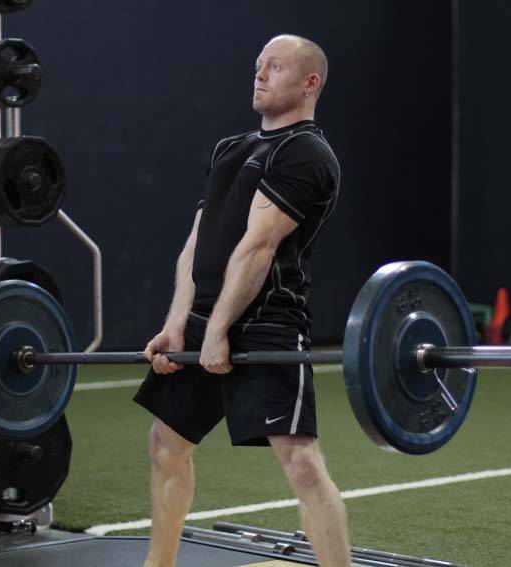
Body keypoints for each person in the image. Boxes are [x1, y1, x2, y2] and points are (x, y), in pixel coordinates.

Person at [134, 34, 348, 567]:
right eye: (257, 66)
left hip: (269, 321)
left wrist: (219, 329)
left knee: (299, 462)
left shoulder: (307, 154)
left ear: (309, 82)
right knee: (166, 443)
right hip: (207, 319)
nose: (259, 75)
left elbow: (259, 245)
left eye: (274, 67)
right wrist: (179, 324)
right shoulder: (230, 149)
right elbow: (197, 244)